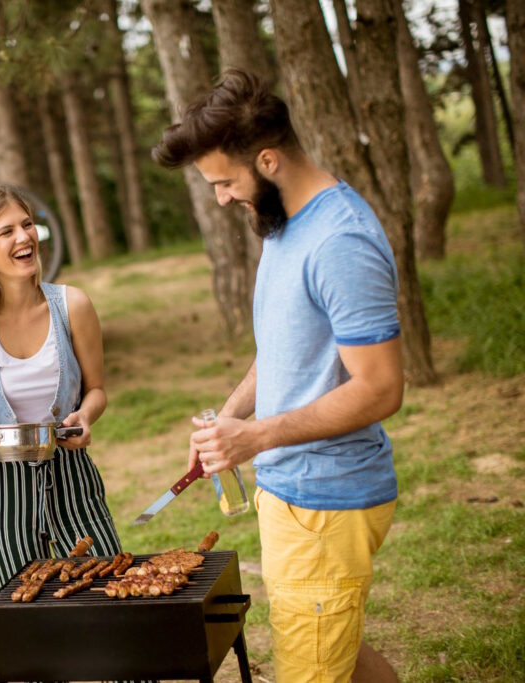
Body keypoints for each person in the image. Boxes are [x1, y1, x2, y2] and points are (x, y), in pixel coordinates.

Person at [152, 69, 402, 683]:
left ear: (268, 161)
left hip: (327, 501)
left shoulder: (339, 239)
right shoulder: (286, 225)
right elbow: (283, 350)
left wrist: (258, 438)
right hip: (291, 491)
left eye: (224, 182)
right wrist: (233, 415)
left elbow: (381, 388)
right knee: (334, 649)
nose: (220, 198)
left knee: (308, 667)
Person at [0, 183, 122, 589]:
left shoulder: (73, 306)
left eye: (27, 225)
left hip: (72, 475)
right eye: (6, 231)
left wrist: (85, 416)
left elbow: (96, 390)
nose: (24, 237)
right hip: (1, 490)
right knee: (23, 611)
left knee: (105, 589)